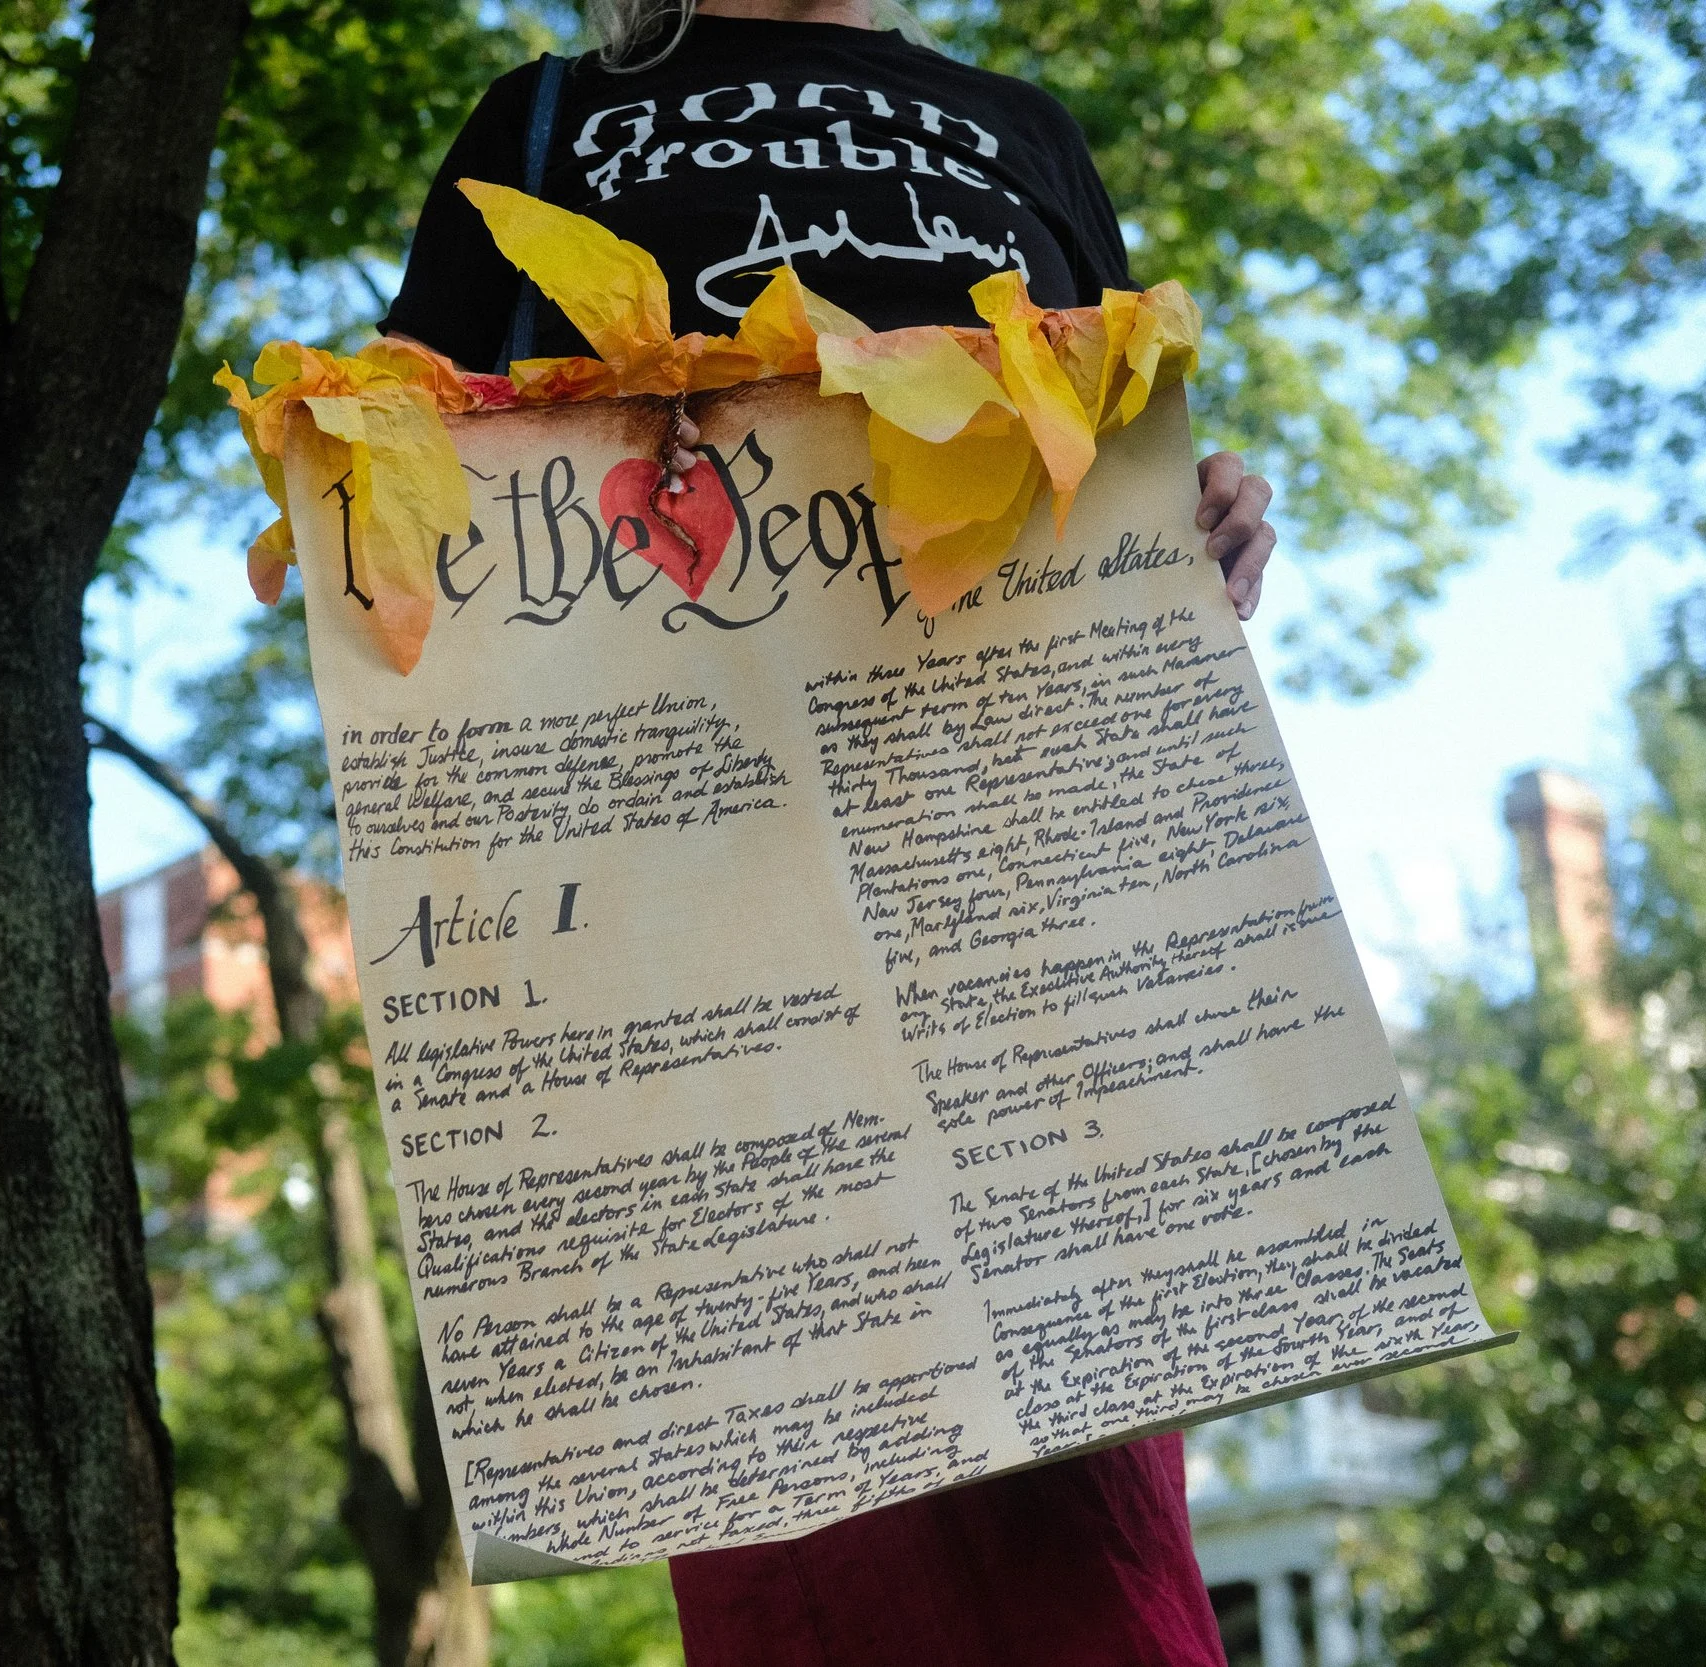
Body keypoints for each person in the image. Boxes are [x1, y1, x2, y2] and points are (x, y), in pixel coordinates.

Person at [383, 3, 1271, 1661]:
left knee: (1092, 1522)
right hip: (708, 923)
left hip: (1028, 894)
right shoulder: (549, 120)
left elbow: (1095, 444)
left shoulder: (1025, 124)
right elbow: (406, 509)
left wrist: (1195, 510)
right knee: (819, 1521)